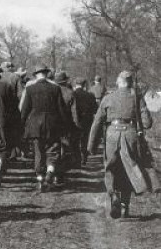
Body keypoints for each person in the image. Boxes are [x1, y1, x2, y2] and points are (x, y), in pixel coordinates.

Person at [87, 71, 153, 219]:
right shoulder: (136, 98)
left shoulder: (108, 97)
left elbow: (97, 122)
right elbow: (148, 123)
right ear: (130, 82)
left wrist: (91, 145)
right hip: (130, 134)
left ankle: (113, 195)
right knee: (128, 169)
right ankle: (124, 206)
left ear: (118, 82)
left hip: (112, 134)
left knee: (111, 167)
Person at [20, 64, 68, 192]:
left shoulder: (30, 89)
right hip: (53, 124)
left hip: (35, 125)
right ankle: (50, 171)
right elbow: (61, 109)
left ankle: (40, 178)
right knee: (53, 149)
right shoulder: (55, 88)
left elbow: (25, 110)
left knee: (38, 151)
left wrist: (22, 124)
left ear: (36, 75)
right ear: (47, 74)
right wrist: (64, 125)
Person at [55, 71, 79, 180]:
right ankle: (60, 173)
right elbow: (74, 112)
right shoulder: (70, 93)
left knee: (54, 147)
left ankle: (53, 170)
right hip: (66, 124)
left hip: (54, 123)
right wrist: (76, 125)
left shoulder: (52, 91)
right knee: (64, 148)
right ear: (65, 81)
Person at [0, 61, 24, 161]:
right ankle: (13, 153)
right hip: (13, 107)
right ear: (10, 67)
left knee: (3, 130)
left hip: (1, 107)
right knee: (14, 131)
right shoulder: (15, 77)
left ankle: (3, 153)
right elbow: (20, 94)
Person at [73, 77, 98, 166]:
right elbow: (95, 109)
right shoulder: (90, 95)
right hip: (87, 120)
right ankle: (84, 157)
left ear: (75, 84)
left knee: (75, 139)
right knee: (85, 139)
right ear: (84, 85)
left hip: (75, 120)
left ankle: (77, 158)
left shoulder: (73, 94)